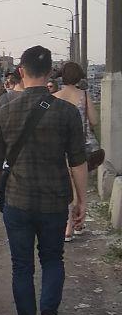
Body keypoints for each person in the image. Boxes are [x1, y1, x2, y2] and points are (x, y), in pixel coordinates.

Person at [0, 45, 87, 315]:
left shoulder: (3, 106)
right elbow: (78, 162)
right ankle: (49, 313)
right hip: (55, 201)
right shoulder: (67, 112)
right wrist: (81, 201)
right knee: (53, 259)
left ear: (20, 72)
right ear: (50, 74)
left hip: (17, 200)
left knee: (22, 267)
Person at [54, 60, 101, 240]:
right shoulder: (84, 95)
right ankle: (76, 222)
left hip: (60, 148)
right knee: (80, 187)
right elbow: (95, 121)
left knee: (68, 186)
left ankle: (68, 226)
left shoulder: (55, 97)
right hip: (81, 147)